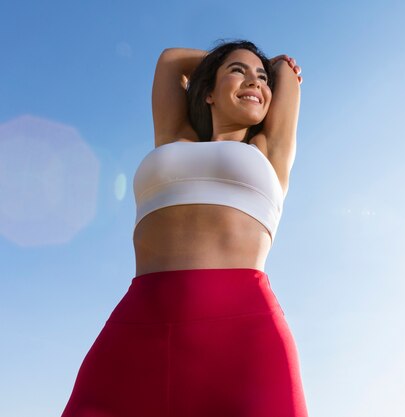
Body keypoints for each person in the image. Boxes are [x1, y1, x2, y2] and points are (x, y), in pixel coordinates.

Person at [61, 40, 307, 417]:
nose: (254, 82)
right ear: (207, 92)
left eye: (261, 78)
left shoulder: (267, 149)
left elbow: (286, 76)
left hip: (244, 335)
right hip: (140, 324)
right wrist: (232, 60)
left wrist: (273, 66)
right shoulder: (174, 137)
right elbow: (170, 61)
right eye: (238, 72)